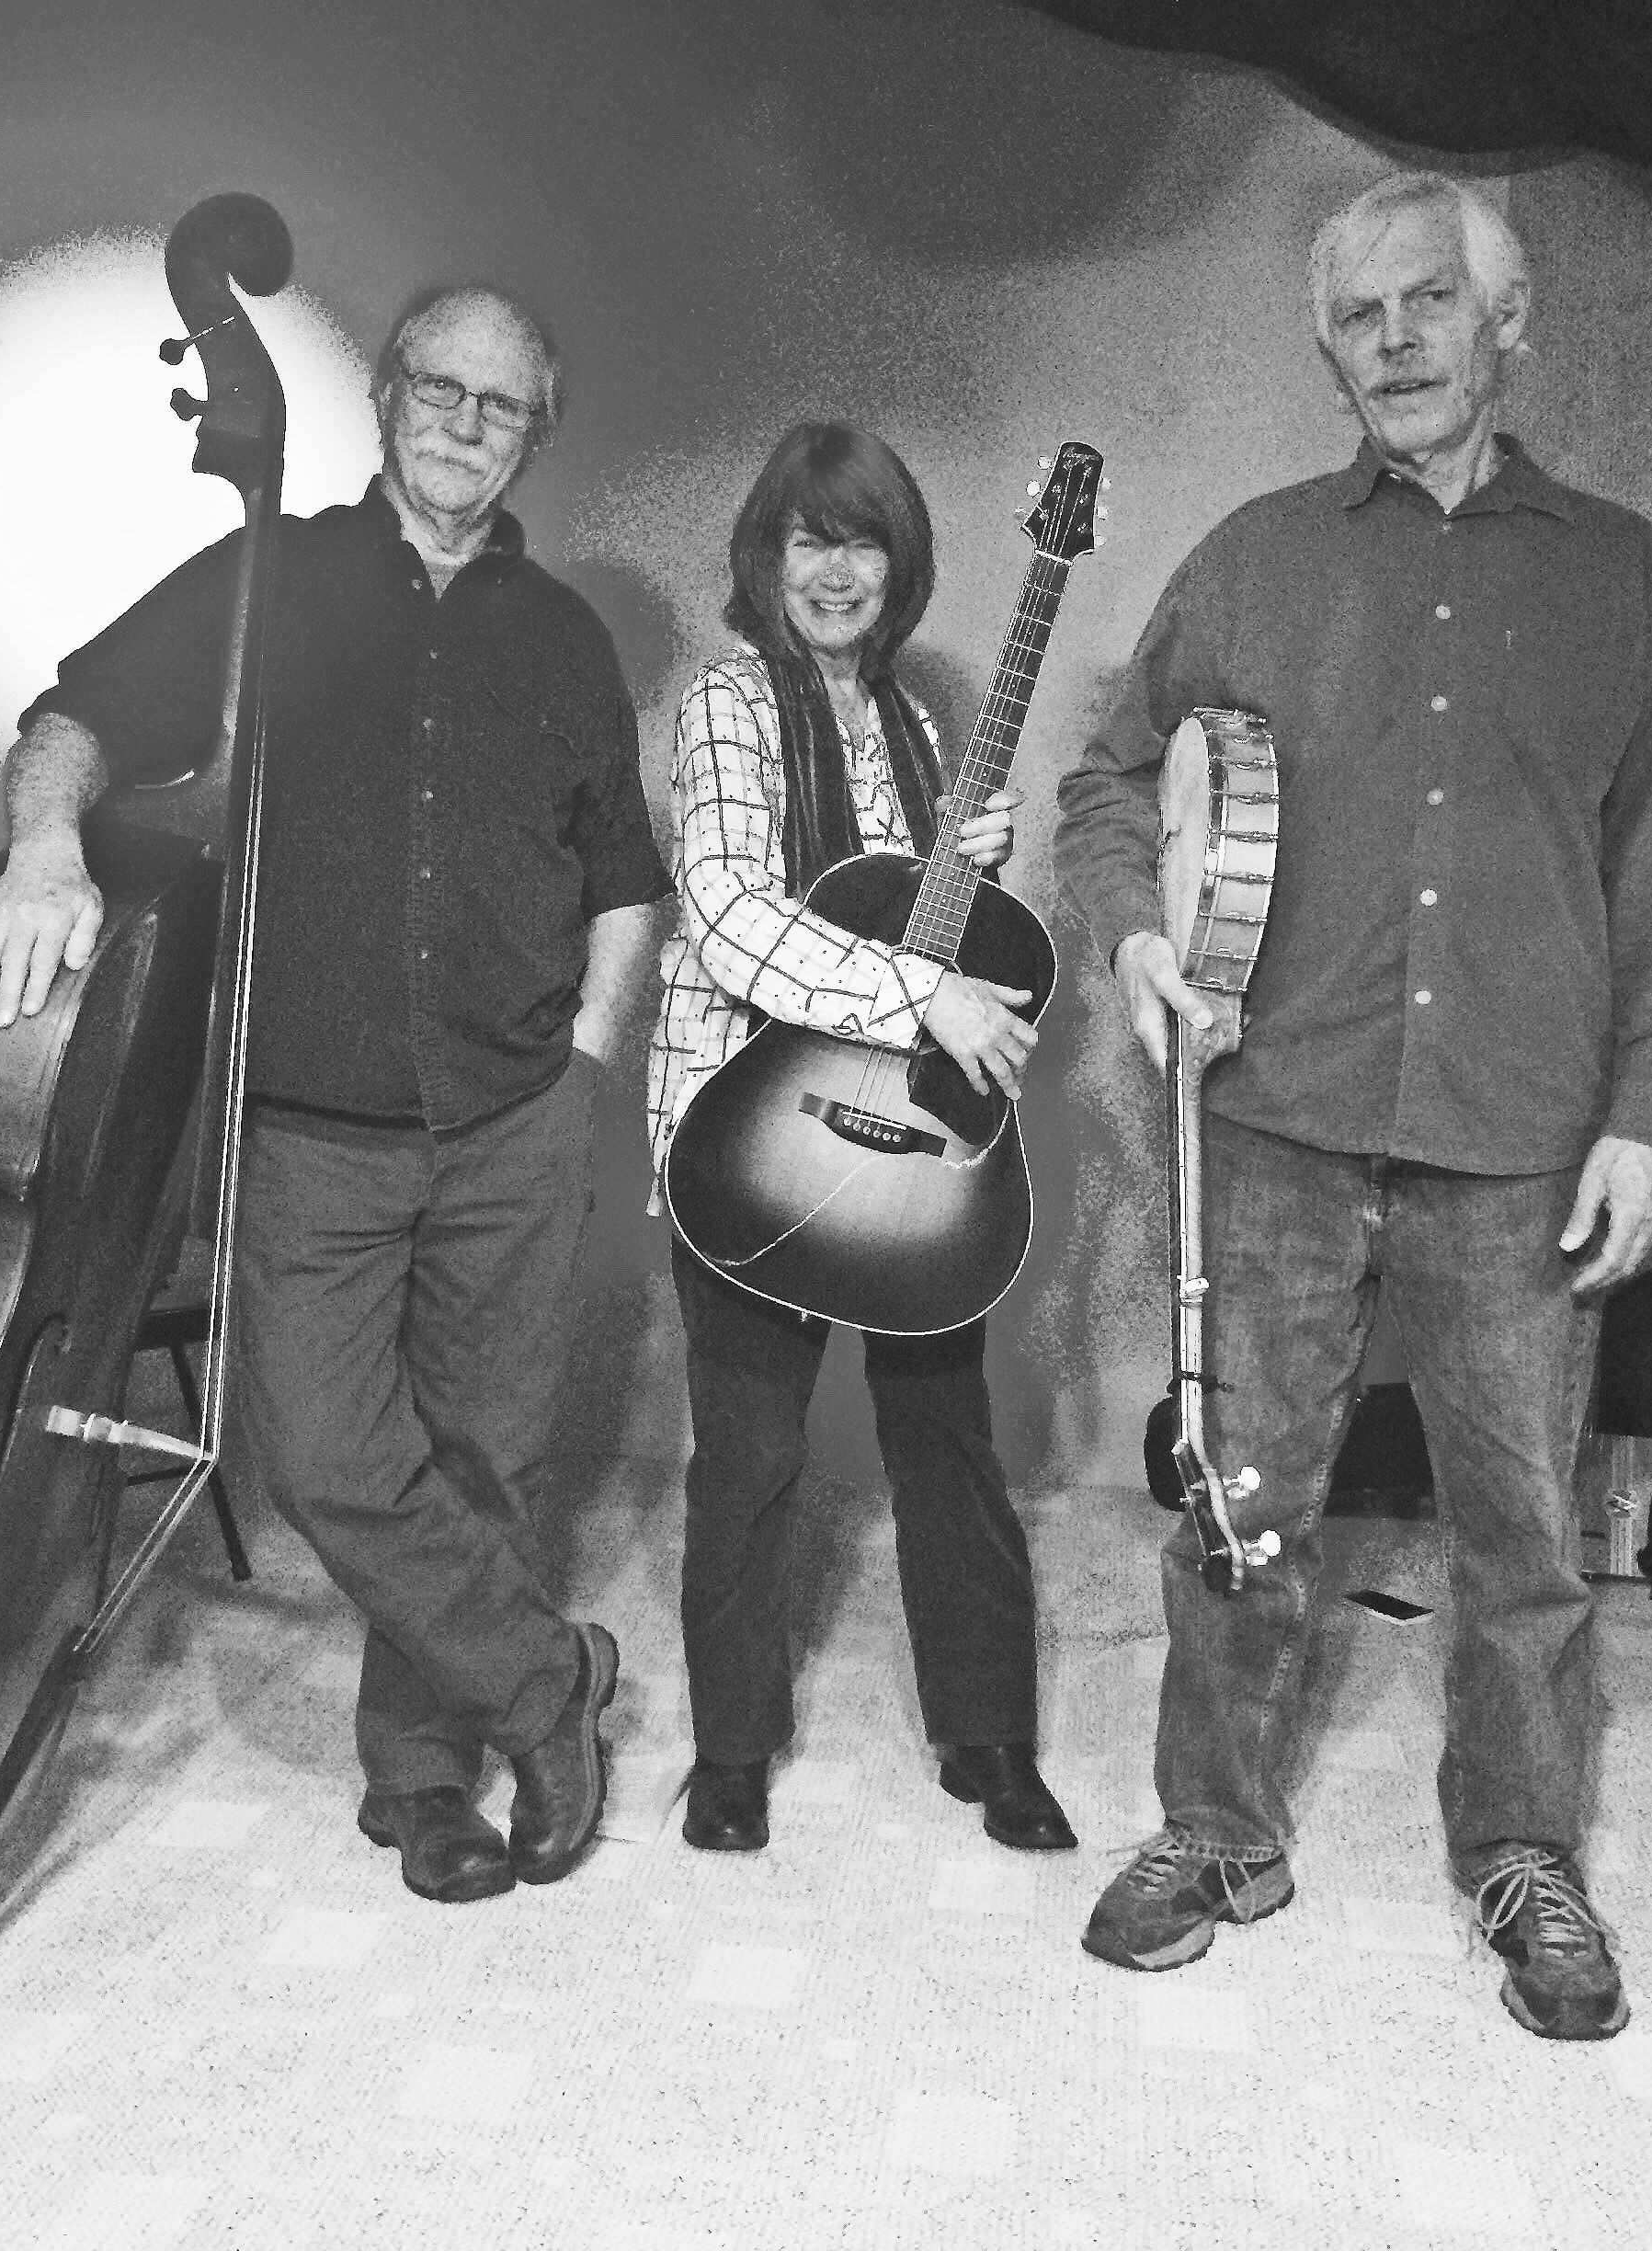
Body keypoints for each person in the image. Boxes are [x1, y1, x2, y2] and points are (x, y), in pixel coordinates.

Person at [1053, 174, 1652, 2039]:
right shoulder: (1252, 559)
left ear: (1507, 320)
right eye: (1361, 316)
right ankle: (1217, 1827)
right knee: (1242, 1504)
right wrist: (1133, 938)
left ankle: (1523, 1853)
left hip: (1520, 1140)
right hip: (1276, 1113)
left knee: (1524, 1538)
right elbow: (1109, 785)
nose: (1399, 340)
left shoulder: (1624, 575)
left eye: (1431, 300)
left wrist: (1650, 1114)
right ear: (1329, 353)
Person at [0, 283, 669, 1907]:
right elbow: (73, 718)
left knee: (483, 1462)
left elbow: (624, 875)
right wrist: (46, 848)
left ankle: (422, 1783)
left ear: (537, 434)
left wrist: (587, 1058)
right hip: (310, 1124)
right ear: (389, 391)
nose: (466, 424)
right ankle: (549, 1679)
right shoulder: (266, 577)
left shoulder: (564, 637)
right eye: (442, 387)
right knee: (329, 1457)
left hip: (514, 1115)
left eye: (503, 404)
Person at [645, 421, 1075, 1857]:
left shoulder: (917, 727)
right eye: (810, 538)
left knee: (947, 1435)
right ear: (766, 555)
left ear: (903, 565)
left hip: (911, 1150)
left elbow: (907, 914)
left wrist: (972, 868)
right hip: (749, 1129)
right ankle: (730, 1751)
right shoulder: (726, 702)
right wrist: (923, 989)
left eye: (865, 541)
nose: (837, 570)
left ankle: (987, 1734)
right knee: (749, 1452)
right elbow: (729, 911)